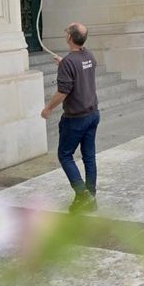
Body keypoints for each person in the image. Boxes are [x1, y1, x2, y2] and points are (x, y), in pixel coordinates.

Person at [41, 22, 100, 213]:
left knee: (65, 155)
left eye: (67, 31)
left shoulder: (69, 62)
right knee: (89, 156)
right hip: (93, 114)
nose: (65, 33)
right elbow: (80, 68)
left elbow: (63, 91)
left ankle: (83, 194)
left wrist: (48, 108)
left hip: (76, 118)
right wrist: (64, 64)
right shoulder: (89, 56)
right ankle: (91, 198)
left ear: (69, 38)